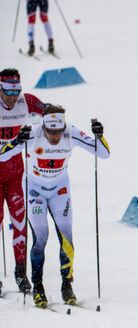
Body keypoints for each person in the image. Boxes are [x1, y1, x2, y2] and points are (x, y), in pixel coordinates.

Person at [0, 104, 110, 308]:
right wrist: (16, 141)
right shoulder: (32, 134)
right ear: (43, 126)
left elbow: (103, 154)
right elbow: (2, 155)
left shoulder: (71, 132)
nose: (55, 136)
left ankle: (67, 286)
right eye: (50, 131)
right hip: (35, 190)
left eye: (58, 131)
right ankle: (38, 287)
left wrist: (99, 135)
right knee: (40, 239)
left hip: (60, 189)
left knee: (67, 239)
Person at [0, 68, 45, 294]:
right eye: (7, 90)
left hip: (16, 174)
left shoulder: (25, 102)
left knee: (19, 222)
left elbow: (51, 114)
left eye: (16, 91)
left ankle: (20, 272)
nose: (11, 96)